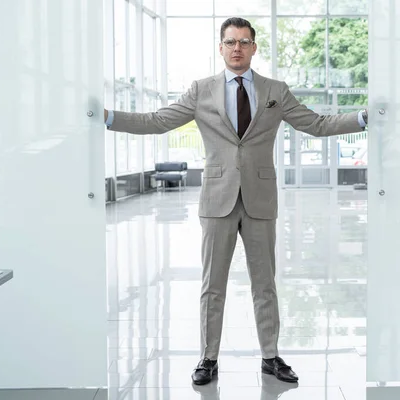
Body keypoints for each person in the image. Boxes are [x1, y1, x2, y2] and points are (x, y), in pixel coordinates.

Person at [104, 17, 368, 385]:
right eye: (230, 42)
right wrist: (107, 118)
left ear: (254, 47)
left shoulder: (276, 89)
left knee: (265, 283)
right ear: (221, 47)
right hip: (217, 200)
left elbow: (317, 124)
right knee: (213, 284)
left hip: (260, 198)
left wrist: (363, 117)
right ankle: (208, 358)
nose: (237, 48)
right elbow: (158, 120)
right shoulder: (201, 90)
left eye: (244, 41)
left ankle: (271, 356)